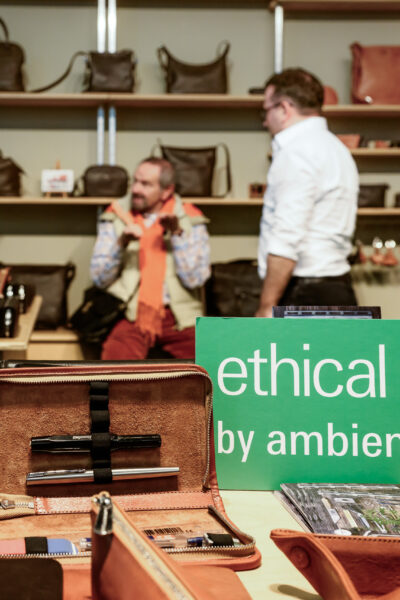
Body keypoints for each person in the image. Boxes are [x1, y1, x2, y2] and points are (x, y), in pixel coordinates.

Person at [255, 68, 359, 318]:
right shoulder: (337, 149)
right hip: (338, 285)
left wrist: (267, 305)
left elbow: (287, 237)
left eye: (265, 110)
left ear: (284, 108)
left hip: (304, 293)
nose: (264, 121)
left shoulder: (296, 153)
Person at [90, 157, 210, 359]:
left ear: (166, 191)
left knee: (212, 364)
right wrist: (121, 244)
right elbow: (99, 279)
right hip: (132, 314)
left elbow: (194, 279)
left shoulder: (191, 218)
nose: (135, 189)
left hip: (180, 317)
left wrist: (177, 234)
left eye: (145, 184)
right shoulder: (116, 215)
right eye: (135, 181)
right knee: (113, 370)